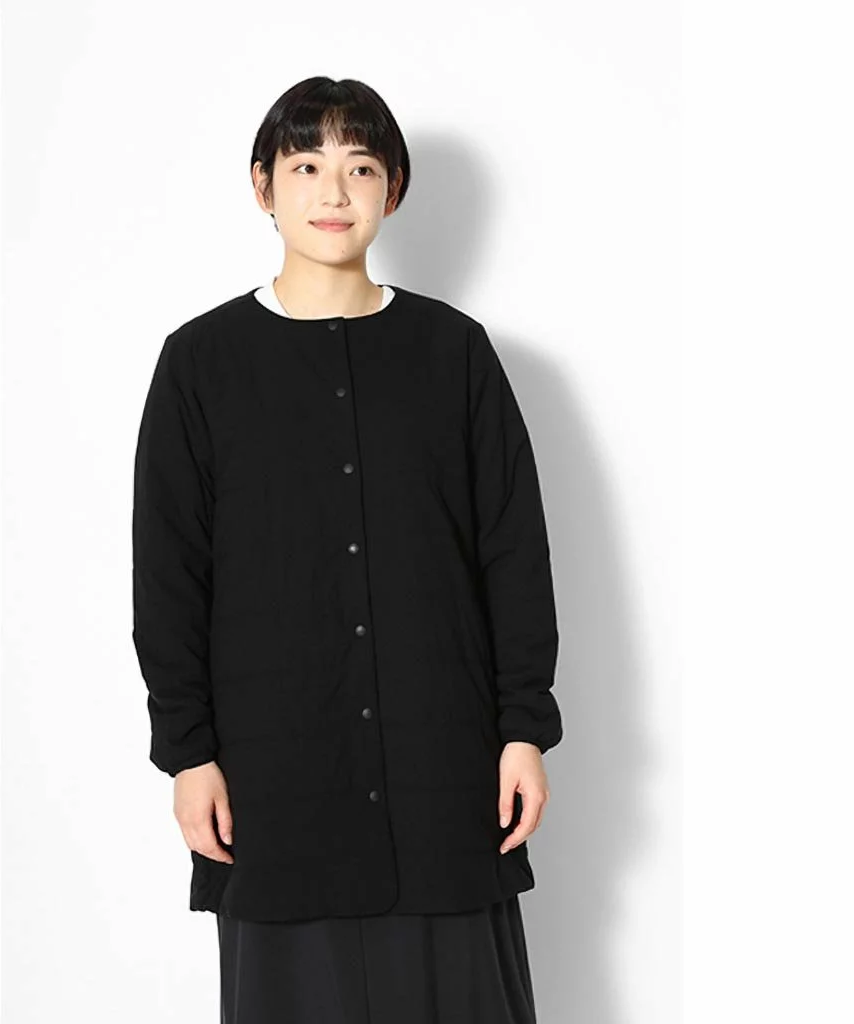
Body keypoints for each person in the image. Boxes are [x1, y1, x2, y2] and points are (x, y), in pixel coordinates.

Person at [132, 76, 563, 1024]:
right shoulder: (200, 364)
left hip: (444, 771)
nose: (333, 192)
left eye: (360, 167)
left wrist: (523, 728)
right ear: (262, 185)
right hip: (275, 779)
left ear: (392, 189)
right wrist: (189, 755)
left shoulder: (455, 353)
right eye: (306, 166)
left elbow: (513, 553)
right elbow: (169, 577)